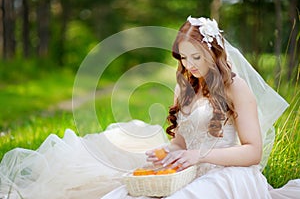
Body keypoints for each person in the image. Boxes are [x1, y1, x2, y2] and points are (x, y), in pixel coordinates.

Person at [0, 16, 299, 199]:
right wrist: (167, 153)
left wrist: (200, 155)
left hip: (228, 173)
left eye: (196, 57)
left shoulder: (236, 88)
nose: (189, 66)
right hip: (185, 170)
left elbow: (253, 152)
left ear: (214, 52)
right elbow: (182, 141)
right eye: (183, 58)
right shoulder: (185, 84)